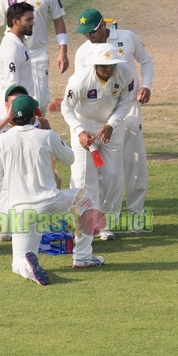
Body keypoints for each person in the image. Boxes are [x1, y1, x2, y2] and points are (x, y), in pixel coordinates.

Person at [0, 95, 105, 285]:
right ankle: (82, 257)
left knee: (17, 262)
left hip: (20, 212)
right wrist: (50, 131)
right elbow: (70, 158)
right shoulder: (46, 136)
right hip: (51, 203)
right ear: (34, 115)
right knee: (87, 199)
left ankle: (26, 264)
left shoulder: (1, 142)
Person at [74, 9, 154, 217]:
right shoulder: (83, 52)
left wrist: (145, 85)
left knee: (135, 160)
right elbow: (78, 85)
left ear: (102, 25)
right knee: (102, 166)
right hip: (99, 114)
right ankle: (101, 215)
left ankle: (136, 211)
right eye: (85, 33)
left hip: (128, 106)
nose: (88, 37)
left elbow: (146, 61)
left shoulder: (127, 37)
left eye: (91, 32)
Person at [61, 43, 136, 240]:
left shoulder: (125, 72)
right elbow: (66, 108)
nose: (109, 70)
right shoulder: (79, 81)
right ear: (95, 65)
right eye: (104, 66)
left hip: (111, 129)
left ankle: (106, 224)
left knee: (113, 175)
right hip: (84, 128)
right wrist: (79, 131)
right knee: (84, 177)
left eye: (112, 65)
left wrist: (112, 123)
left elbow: (127, 100)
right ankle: (84, 223)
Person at [0, 84, 49, 241]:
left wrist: (45, 127)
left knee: (34, 230)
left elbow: (50, 151)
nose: (17, 106)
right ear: (6, 105)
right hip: (4, 187)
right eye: (14, 102)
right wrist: (7, 119)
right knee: (2, 236)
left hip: (29, 186)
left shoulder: (34, 123)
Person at [0, 2, 35, 117]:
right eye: (28, 20)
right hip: (15, 106)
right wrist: (16, 112)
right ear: (15, 22)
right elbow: (11, 85)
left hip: (22, 102)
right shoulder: (11, 49)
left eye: (32, 19)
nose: (33, 23)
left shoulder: (20, 41)